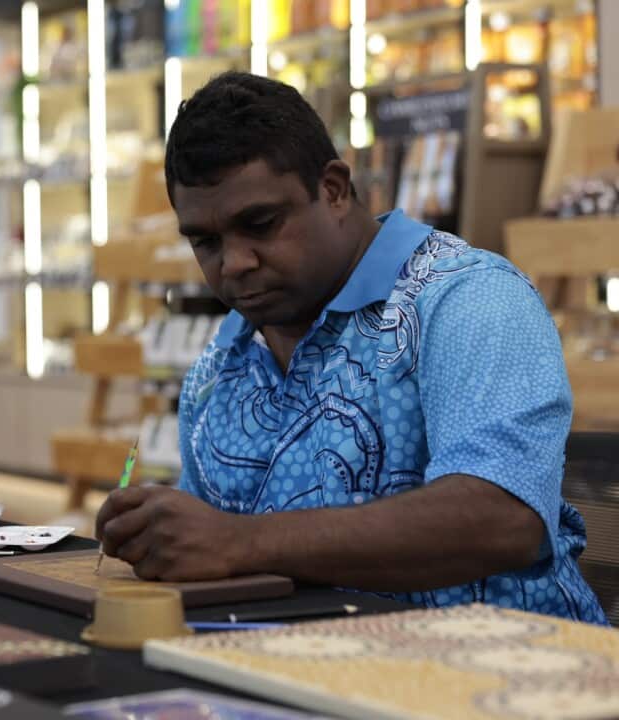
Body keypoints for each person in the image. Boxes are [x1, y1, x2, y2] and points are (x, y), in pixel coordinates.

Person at [95, 72, 606, 624]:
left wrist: (240, 542)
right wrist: (159, 536)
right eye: (206, 241)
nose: (234, 262)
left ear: (334, 190)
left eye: (260, 224)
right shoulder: (225, 360)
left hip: (510, 686)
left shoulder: (464, 298)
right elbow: (206, 550)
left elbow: (502, 517)